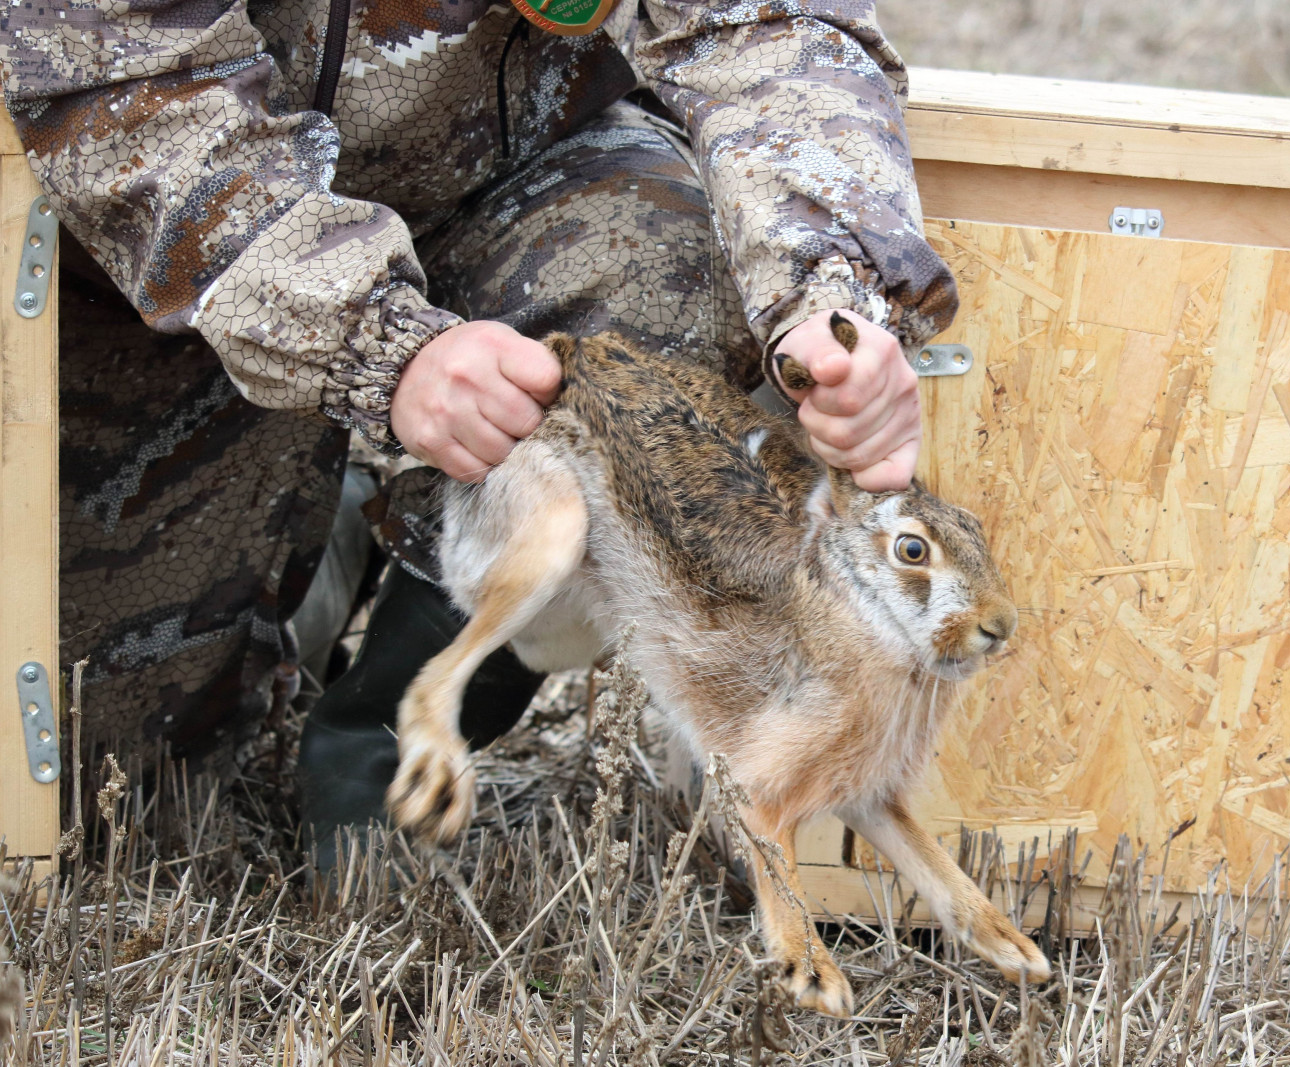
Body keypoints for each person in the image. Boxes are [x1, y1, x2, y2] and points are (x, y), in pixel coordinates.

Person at [0, 0, 957, 851]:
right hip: (168, 267)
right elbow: (124, 75)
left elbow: (772, 25)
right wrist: (375, 342)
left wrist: (830, 299)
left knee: (671, 279)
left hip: (495, 176)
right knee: (103, 790)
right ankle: (337, 502)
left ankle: (386, 737)